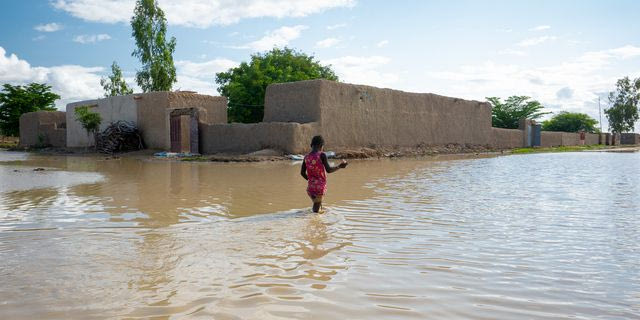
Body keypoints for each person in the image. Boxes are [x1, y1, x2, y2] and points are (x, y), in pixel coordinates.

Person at [300, 135, 348, 213]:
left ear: (311, 145)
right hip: (320, 187)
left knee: (318, 206)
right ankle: (314, 223)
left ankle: (319, 223)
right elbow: (328, 170)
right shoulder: (322, 155)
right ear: (321, 146)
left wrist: (311, 181)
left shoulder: (306, 157)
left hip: (310, 188)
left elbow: (302, 173)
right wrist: (340, 166)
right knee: (315, 211)